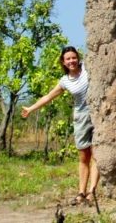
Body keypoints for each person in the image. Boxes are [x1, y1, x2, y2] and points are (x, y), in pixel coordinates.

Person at [22, 46, 99, 206]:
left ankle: (92, 192)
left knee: (97, 153)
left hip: (98, 114)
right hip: (81, 117)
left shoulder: (88, 67)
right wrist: (30, 109)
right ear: (63, 62)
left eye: (73, 57)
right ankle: (81, 192)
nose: (72, 61)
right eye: (68, 59)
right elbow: (48, 97)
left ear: (78, 58)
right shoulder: (65, 81)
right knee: (84, 156)